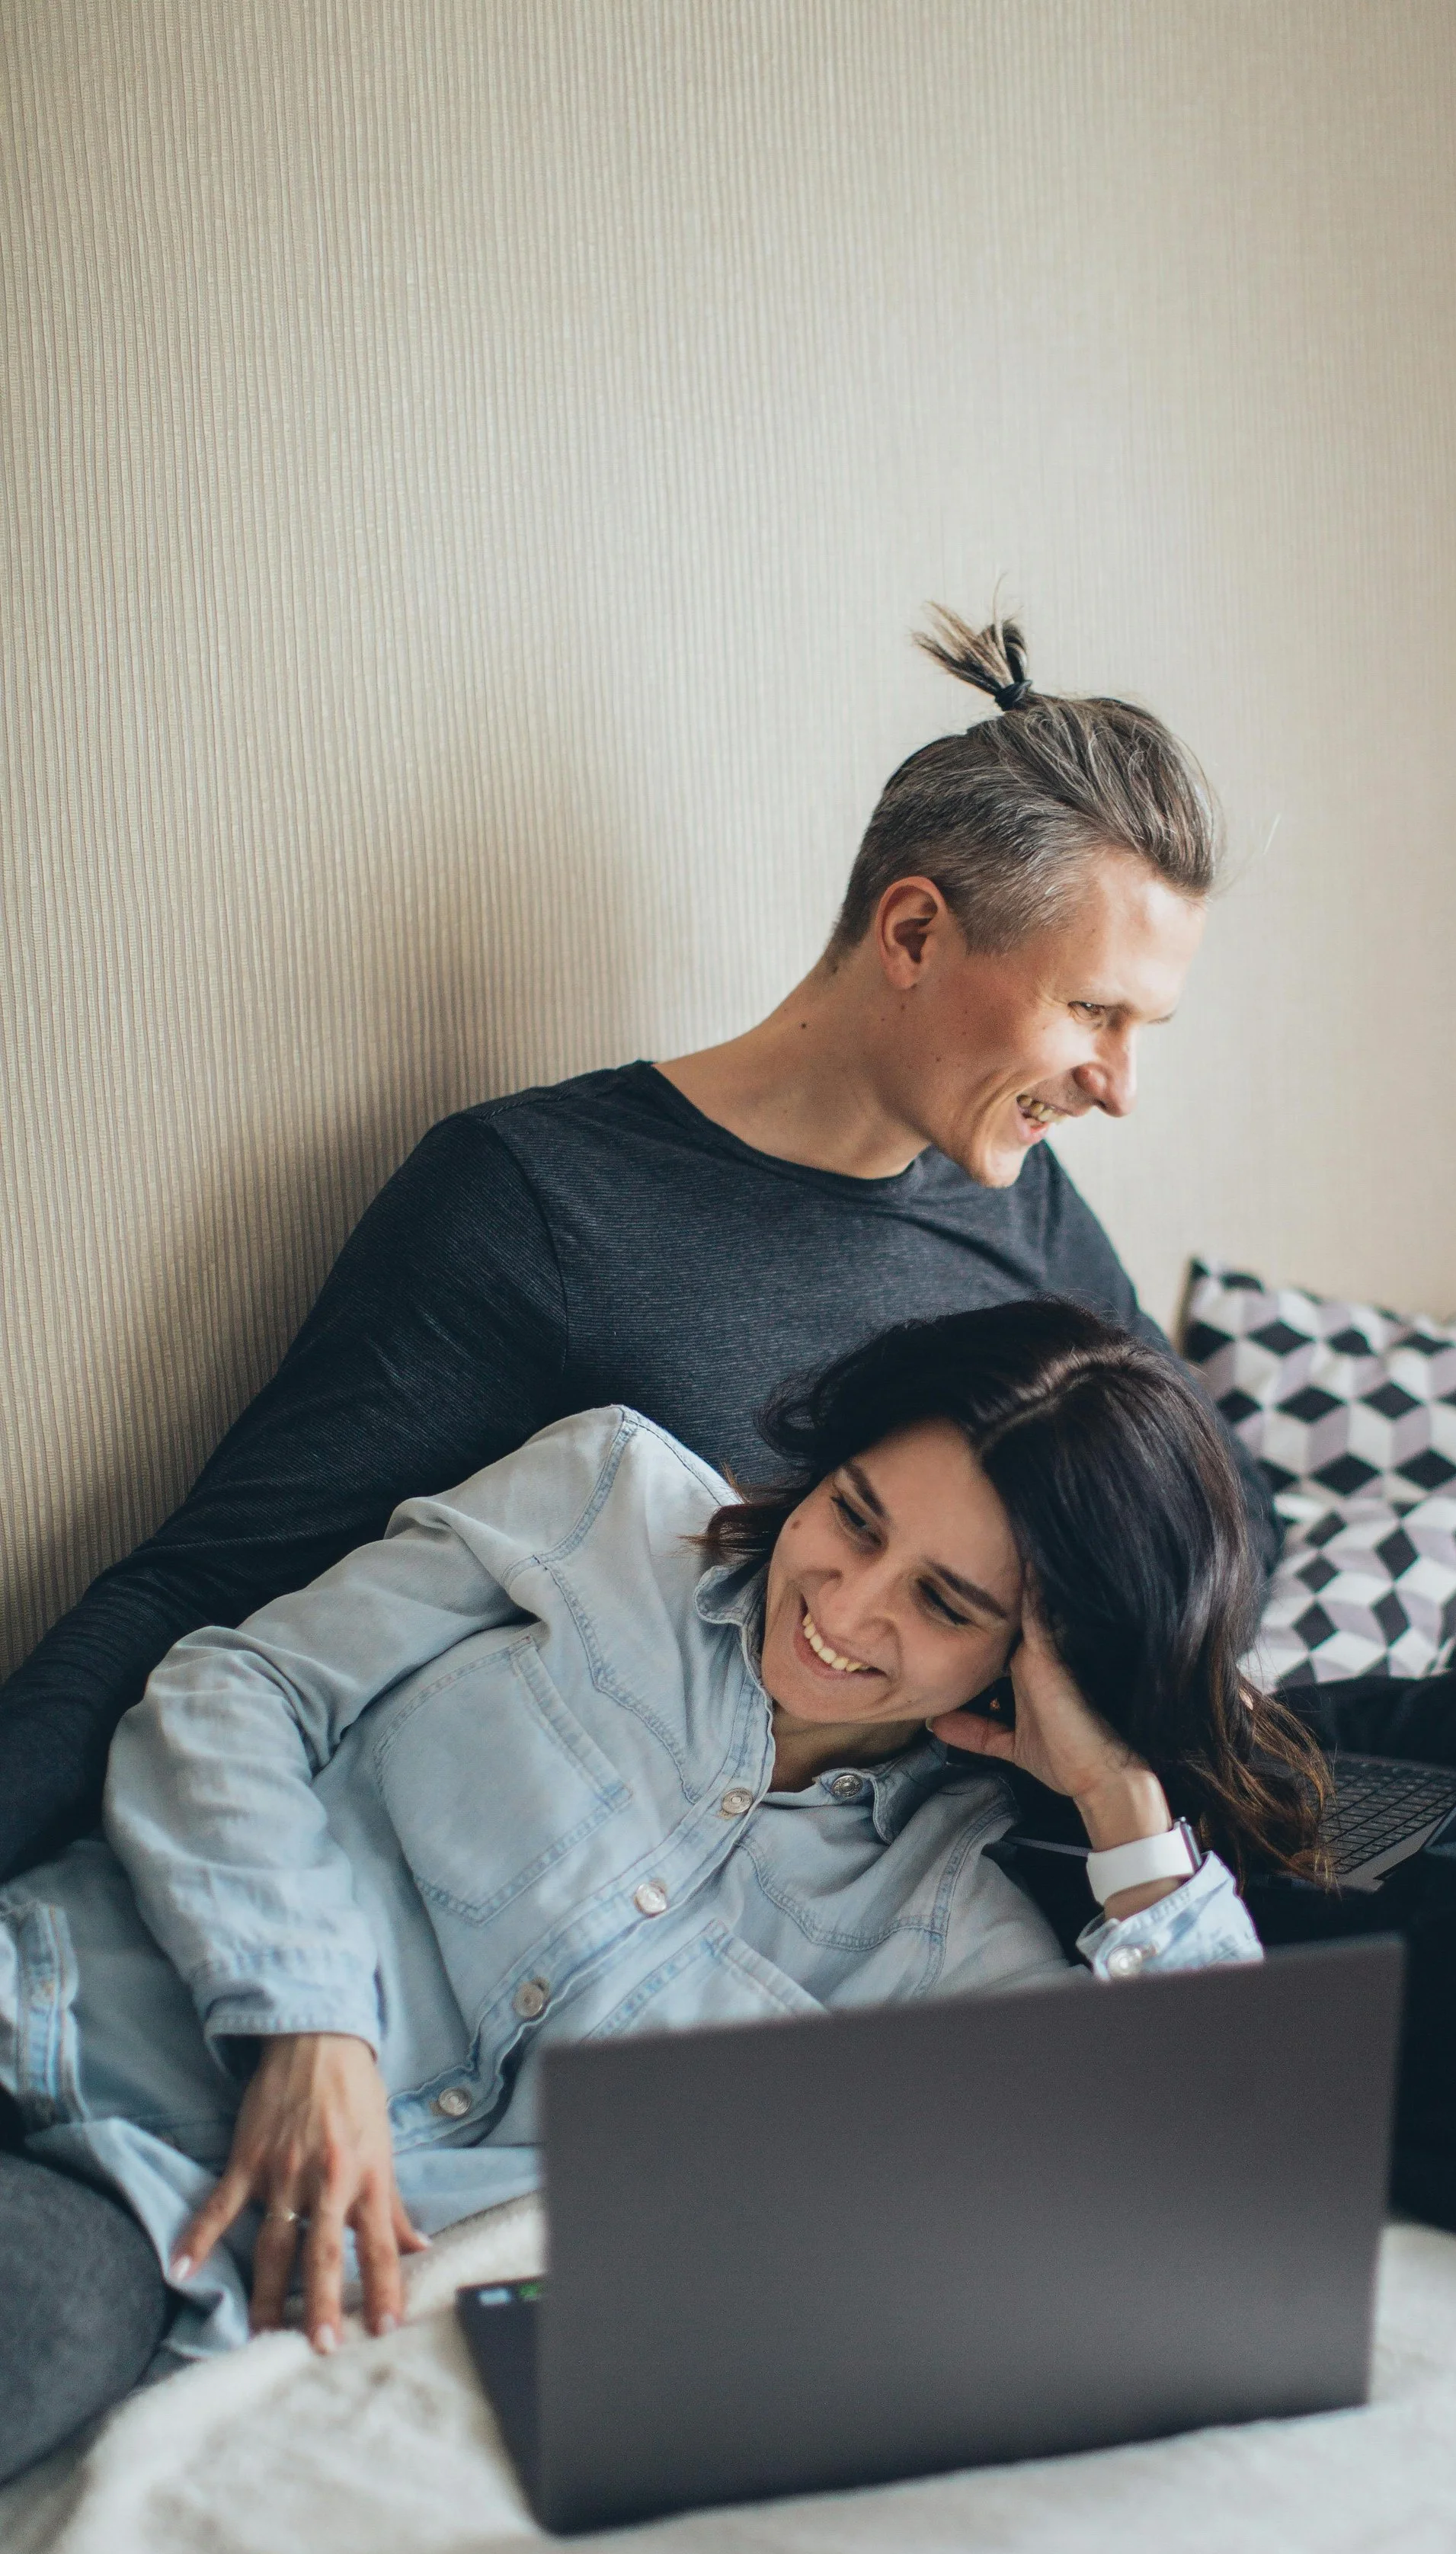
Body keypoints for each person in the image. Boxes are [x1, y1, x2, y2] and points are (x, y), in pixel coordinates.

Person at [0, 603, 1266, 1888]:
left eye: (1142, 1025)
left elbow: (1226, 1519)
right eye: (1093, 1010)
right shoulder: (541, 1203)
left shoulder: (1020, 1204)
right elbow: (198, 1594)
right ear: (914, 933)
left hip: (970, 1906)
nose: (1120, 1086)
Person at [0, 1304, 1326, 2482]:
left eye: (943, 1600)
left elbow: (1206, 2224)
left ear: (1034, 1655)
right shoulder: (608, 1497)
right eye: (855, 1514)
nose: (847, 1606)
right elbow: (239, 1689)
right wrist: (306, 2020)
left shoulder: (949, 1934)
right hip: (61, 1999)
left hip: (153, 2223)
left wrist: (1118, 1800)